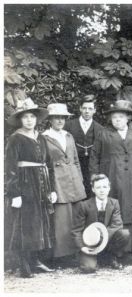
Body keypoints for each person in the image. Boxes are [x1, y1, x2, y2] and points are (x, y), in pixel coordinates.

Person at [89, 100, 132, 253]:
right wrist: (95, 177)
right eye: (114, 117)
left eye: (121, 117)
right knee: (117, 208)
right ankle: (117, 249)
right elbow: (94, 156)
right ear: (110, 119)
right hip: (112, 175)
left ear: (128, 118)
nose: (118, 120)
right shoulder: (103, 133)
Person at [5, 98, 57, 278]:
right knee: (25, 223)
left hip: (42, 183)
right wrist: (15, 193)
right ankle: (24, 263)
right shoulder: (15, 138)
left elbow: (48, 164)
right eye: (25, 117)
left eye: (32, 117)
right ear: (20, 120)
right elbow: (10, 168)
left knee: (40, 222)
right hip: (25, 184)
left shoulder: (41, 137)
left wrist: (52, 189)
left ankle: (35, 260)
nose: (29, 120)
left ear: (36, 119)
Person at [42, 103, 87, 262]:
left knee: (77, 216)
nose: (60, 121)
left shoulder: (68, 136)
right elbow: (45, 163)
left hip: (74, 179)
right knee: (62, 218)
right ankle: (63, 256)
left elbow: (75, 160)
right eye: (56, 118)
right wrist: (49, 187)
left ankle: (79, 252)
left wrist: (80, 179)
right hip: (58, 181)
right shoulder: (45, 137)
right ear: (50, 120)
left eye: (63, 118)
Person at [72, 174, 130, 273]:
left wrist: (101, 237)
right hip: (90, 244)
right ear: (93, 189)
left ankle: (110, 256)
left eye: (104, 187)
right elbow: (76, 230)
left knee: (124, 234)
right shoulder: (84, 205)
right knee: (89, 268)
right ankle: (95, 259)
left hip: (107, 242)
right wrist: (82, 247)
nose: (102, 190)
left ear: (109, 188)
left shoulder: (114, 203)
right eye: (98, 187)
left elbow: (117, 224)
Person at [64, 95, 104, 198]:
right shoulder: (68, 125)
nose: (87, 111)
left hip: (91, 167)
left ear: (94, 110)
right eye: (84, 108)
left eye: (90, 108)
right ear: (80, 108)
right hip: (73, 165)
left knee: (90, 193)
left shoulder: (100, 129)